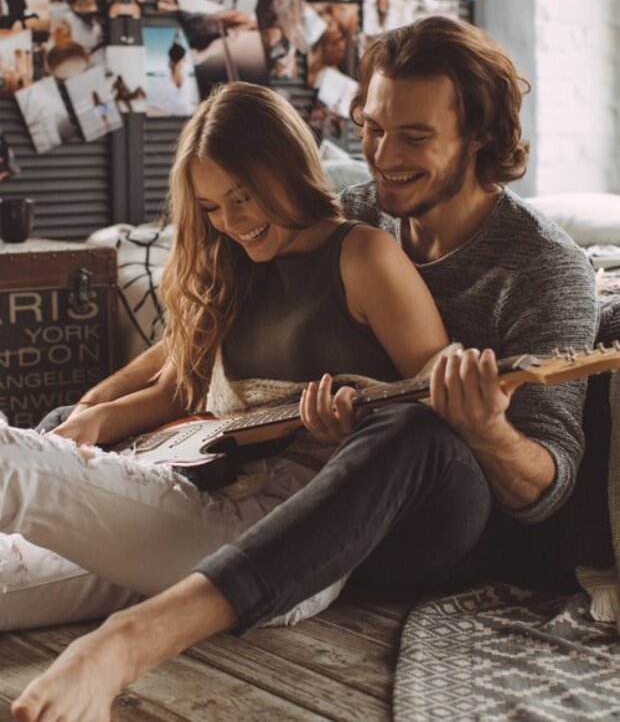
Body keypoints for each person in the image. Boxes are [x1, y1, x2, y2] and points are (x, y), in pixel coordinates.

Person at [13, 17, 598, 722]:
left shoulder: (546, 270)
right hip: (312, 495)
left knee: (416, 431)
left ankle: (136, 640)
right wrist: (95, 409)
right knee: (66, 434)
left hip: (439, 522)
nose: (383, 156)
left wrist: (485, 428)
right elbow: (199, 337)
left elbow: (546, 490)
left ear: (479, 135)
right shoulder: (358, 213)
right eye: (373, 128)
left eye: (413, 137)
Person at [7, 80, 449, 721]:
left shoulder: (362, 255)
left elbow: (435, 404)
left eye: (243, 196)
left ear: (287, 165)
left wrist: (350, 431)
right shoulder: (231, 266)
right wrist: (94, 418)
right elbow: (174, 389)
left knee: (12, 461)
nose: (233, 222)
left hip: (285, 546)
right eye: (212, 207)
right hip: (189, 503)